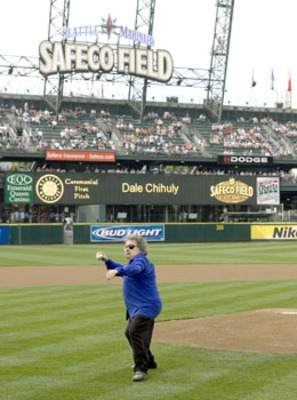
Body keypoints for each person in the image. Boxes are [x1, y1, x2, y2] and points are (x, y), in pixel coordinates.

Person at [96, 234, 162, 382]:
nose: (127, 249)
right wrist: (107, 261)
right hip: (138, 308)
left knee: (134, 331)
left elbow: (134, 269)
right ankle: (149, 361)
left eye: (131, 247)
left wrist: (118, 271)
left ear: (140, 249)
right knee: (130, 333)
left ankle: (141, 369)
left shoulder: (141, 261)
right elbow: (123, 267)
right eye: (125, 247)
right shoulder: (132, 263)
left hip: (148, 306)